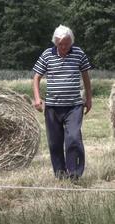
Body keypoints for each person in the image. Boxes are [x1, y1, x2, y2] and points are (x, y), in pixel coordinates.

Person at [32, 25, 92, 180]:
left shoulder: (78, 53)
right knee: (54, 142)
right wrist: (37, 98)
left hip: (74, 106)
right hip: (52, 107)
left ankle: (74, 174)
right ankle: (60, 174)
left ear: (71, 41)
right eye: (60, 44)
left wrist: (89, 98)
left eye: (67, 43)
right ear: (55, 43)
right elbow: (36, 77)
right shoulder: (47, 54)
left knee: (73, 138)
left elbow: (86, 77)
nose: (64, 47)